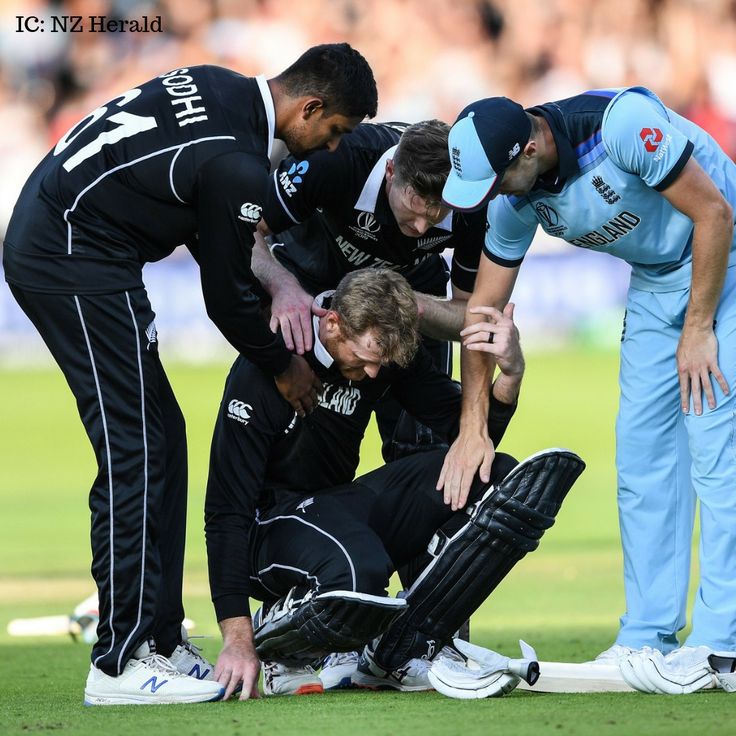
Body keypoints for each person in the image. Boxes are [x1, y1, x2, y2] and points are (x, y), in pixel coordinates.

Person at [2, 43, 377, 706]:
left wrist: (280, 283)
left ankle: (161, 636)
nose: (329, 148)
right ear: (310, 106)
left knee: (162, 436)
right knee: (137, 446)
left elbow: (214, 235)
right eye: (334, 131)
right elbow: (225, 298)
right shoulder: (237, 159)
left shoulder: (218, 86)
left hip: (76, 242)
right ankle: (120, 661)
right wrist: (284, 366)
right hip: (70, 253)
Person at [440, 88, 736, 694]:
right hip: (656, 279)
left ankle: (722, 645)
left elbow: (715, 214)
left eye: (495, 182)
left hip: (723, 262)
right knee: (642, 457)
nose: (491, 198)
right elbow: (482, 315)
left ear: (528, 150)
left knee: (715, 449)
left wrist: (698, 328)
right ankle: (648, 636)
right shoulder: (514, 199)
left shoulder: (620, 125)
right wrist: (472, 427)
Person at [203, 268, 584, 699]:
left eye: (380, 363)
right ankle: (275, 637)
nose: (371, 373)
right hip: (264, 530)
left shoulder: (381, 357)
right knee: (357, 570)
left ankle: (399, 649)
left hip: (332, 510)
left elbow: (471, 438)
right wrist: (236, 638)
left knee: (492, 480)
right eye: (364, 357)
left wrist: (511, 375)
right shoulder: (269, 363)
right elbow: (224, 514)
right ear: (333, 323)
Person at [252, 118, 486, 460]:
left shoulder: (470, 204)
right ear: (391, 171)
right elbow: (241, 227)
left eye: (438, 214)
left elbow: (472, 317)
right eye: (414, 204)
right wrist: (281, 286)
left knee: (423, 448)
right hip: (308, 276)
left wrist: (409, 305)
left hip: (409, 291)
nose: (422, 227)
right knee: (301, 438)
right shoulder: (336, 158)